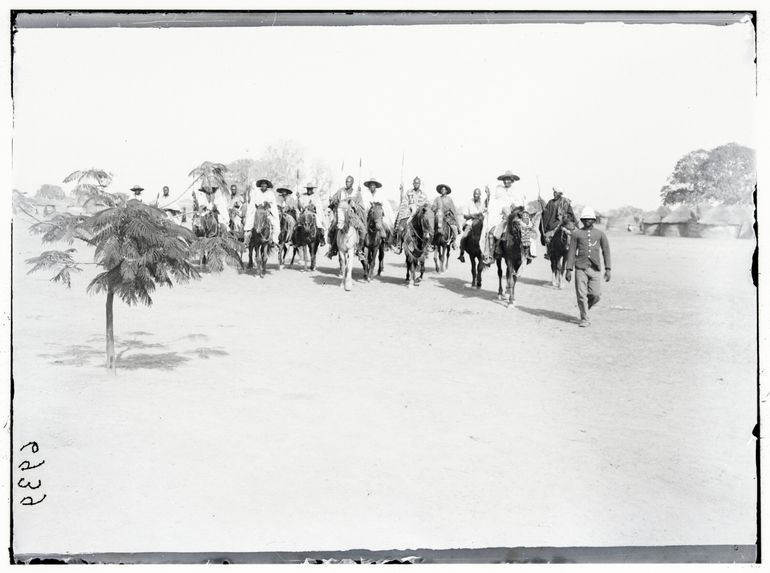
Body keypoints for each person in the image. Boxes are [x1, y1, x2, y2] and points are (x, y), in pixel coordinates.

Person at [565, 206, 611, 328]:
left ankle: (584, 308)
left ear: (594, 220)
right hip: (580, 268)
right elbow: (571, 252)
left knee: (595, 295)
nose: (587, 221)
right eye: (584, 219)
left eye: (589, 219)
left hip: (595, 269)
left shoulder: (600, 234)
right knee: (581, 295)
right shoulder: (576, 234)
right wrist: (569, 269)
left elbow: (606, 251)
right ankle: (585, 318)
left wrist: (608, 269)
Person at [483, 170, 536, 264]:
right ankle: (491, 254)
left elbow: (520, 203)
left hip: (516, 214)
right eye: (505, 180)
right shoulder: (499, 190)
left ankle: (529, 253)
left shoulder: (517, 191)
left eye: (508, 180)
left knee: (526, 228)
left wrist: (515, 209)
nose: (506, 181)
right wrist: (488, 195)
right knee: (491, 232)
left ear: (512, 180)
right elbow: (495, 203)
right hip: (501, 216)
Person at [326, 175, 367, 258]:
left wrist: (354, 204)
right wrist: (333, 200)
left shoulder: (357, 193)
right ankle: (333, 247)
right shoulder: (341, 191)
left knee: (363, 230)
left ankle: (359, 249)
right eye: (346, 181)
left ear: (352, 183)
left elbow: (362, 207)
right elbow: (333, 200)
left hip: (353, 216)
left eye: (349, 182)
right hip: (341, 215)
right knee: (332, 227)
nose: (347, 183)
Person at [391, 176, 429, 254]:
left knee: (427, 226)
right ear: (413, 184)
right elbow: (404, 202)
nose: (416, 184)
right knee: (400, 228)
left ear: (420, 184)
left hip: (419, 214)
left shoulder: (423, 194)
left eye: (417, 183)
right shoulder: (409, 192)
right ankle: (399, 246)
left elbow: (426, 203)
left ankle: (428, 245)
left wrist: (421, 209)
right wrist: (406, 209)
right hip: (409, 213)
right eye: (415, 183)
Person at [539, 186, 577, 259]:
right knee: (547, 237)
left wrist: (566, 219)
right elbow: (546, 212)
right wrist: (542, 203)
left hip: (564, 223)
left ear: (560, 194)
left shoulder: (565, 201)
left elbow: (570, 213)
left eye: (556, 193)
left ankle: (573, 252)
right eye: (554, 193)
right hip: (553, 224)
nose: (554, 194)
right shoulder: (550, 202)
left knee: (573, 235)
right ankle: (549, 253)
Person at [244, 178, 280, 247]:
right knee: (249, 221)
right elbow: (253, 202)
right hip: (257, 210)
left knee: (274, 222)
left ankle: (274, 240)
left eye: (265, 185)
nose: (263, 186)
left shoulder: (270, 194)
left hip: (267, 211)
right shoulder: (256, 192)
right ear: (260, 186)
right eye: (262, 185)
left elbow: (273, 205)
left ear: (267, 186)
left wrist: (267, 204)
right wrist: (258, 205)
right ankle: (247, 239)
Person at [457, 187, 488, 263]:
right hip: (470, 222)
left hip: (481, 223)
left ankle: (488, 255)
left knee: (488, 235)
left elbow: (487, 209)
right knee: (464, 236)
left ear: (480, 195)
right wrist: (472, 215)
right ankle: (461, 254)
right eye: (474, 194)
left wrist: (488, 193)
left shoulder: (483, 203)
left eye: (477, 194)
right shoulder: (469, 202)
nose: (475, 195)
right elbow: (465, 216)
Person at [360, 177, 395, 242]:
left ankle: (384, 242)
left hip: (378, 216)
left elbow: (386, 206)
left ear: (375, 186)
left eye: (373, 185)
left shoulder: (380, 195)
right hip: (367, 215)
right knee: (362, 228)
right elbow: (363, 205)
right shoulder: (365, 194)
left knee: (385, 227)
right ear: (369, 186)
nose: (372, 186)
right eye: (371, 185)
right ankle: (361, 244)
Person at [432, 184, 459, 249]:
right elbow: (433, 207)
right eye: (442, 189)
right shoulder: (437, 199)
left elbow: (453, 210)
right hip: (438, 217)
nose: (443, 190)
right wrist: (434, 208)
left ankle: (454, 242)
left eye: (444, 189)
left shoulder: (449, 199)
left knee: (454, 228)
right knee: (431, 227)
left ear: (446, 191)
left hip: (447, 217)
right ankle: (432, 243)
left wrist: (457, 222)